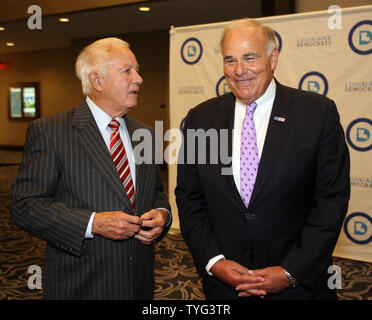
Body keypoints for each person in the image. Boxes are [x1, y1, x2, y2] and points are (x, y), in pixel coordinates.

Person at [175, 19, 350, 300]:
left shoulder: (317, 114)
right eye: (230, 60)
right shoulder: (201, 118)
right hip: (224, 286)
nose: (239, 70)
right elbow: (189, 198)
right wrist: (213, 261)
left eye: (250, 57)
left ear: (273, 58)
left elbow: (331, 200)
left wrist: (290, 271)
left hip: (298, 287)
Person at [11, 37, 172, 299]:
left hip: (139, 282)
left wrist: (163, 216)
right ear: (97, 81)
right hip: (83, 284)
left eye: (138, 69)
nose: (139, 78)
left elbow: (155, 193)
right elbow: (25, 206)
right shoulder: (51, 132)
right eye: (127, 70)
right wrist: (93, 223)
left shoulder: (147, 134)